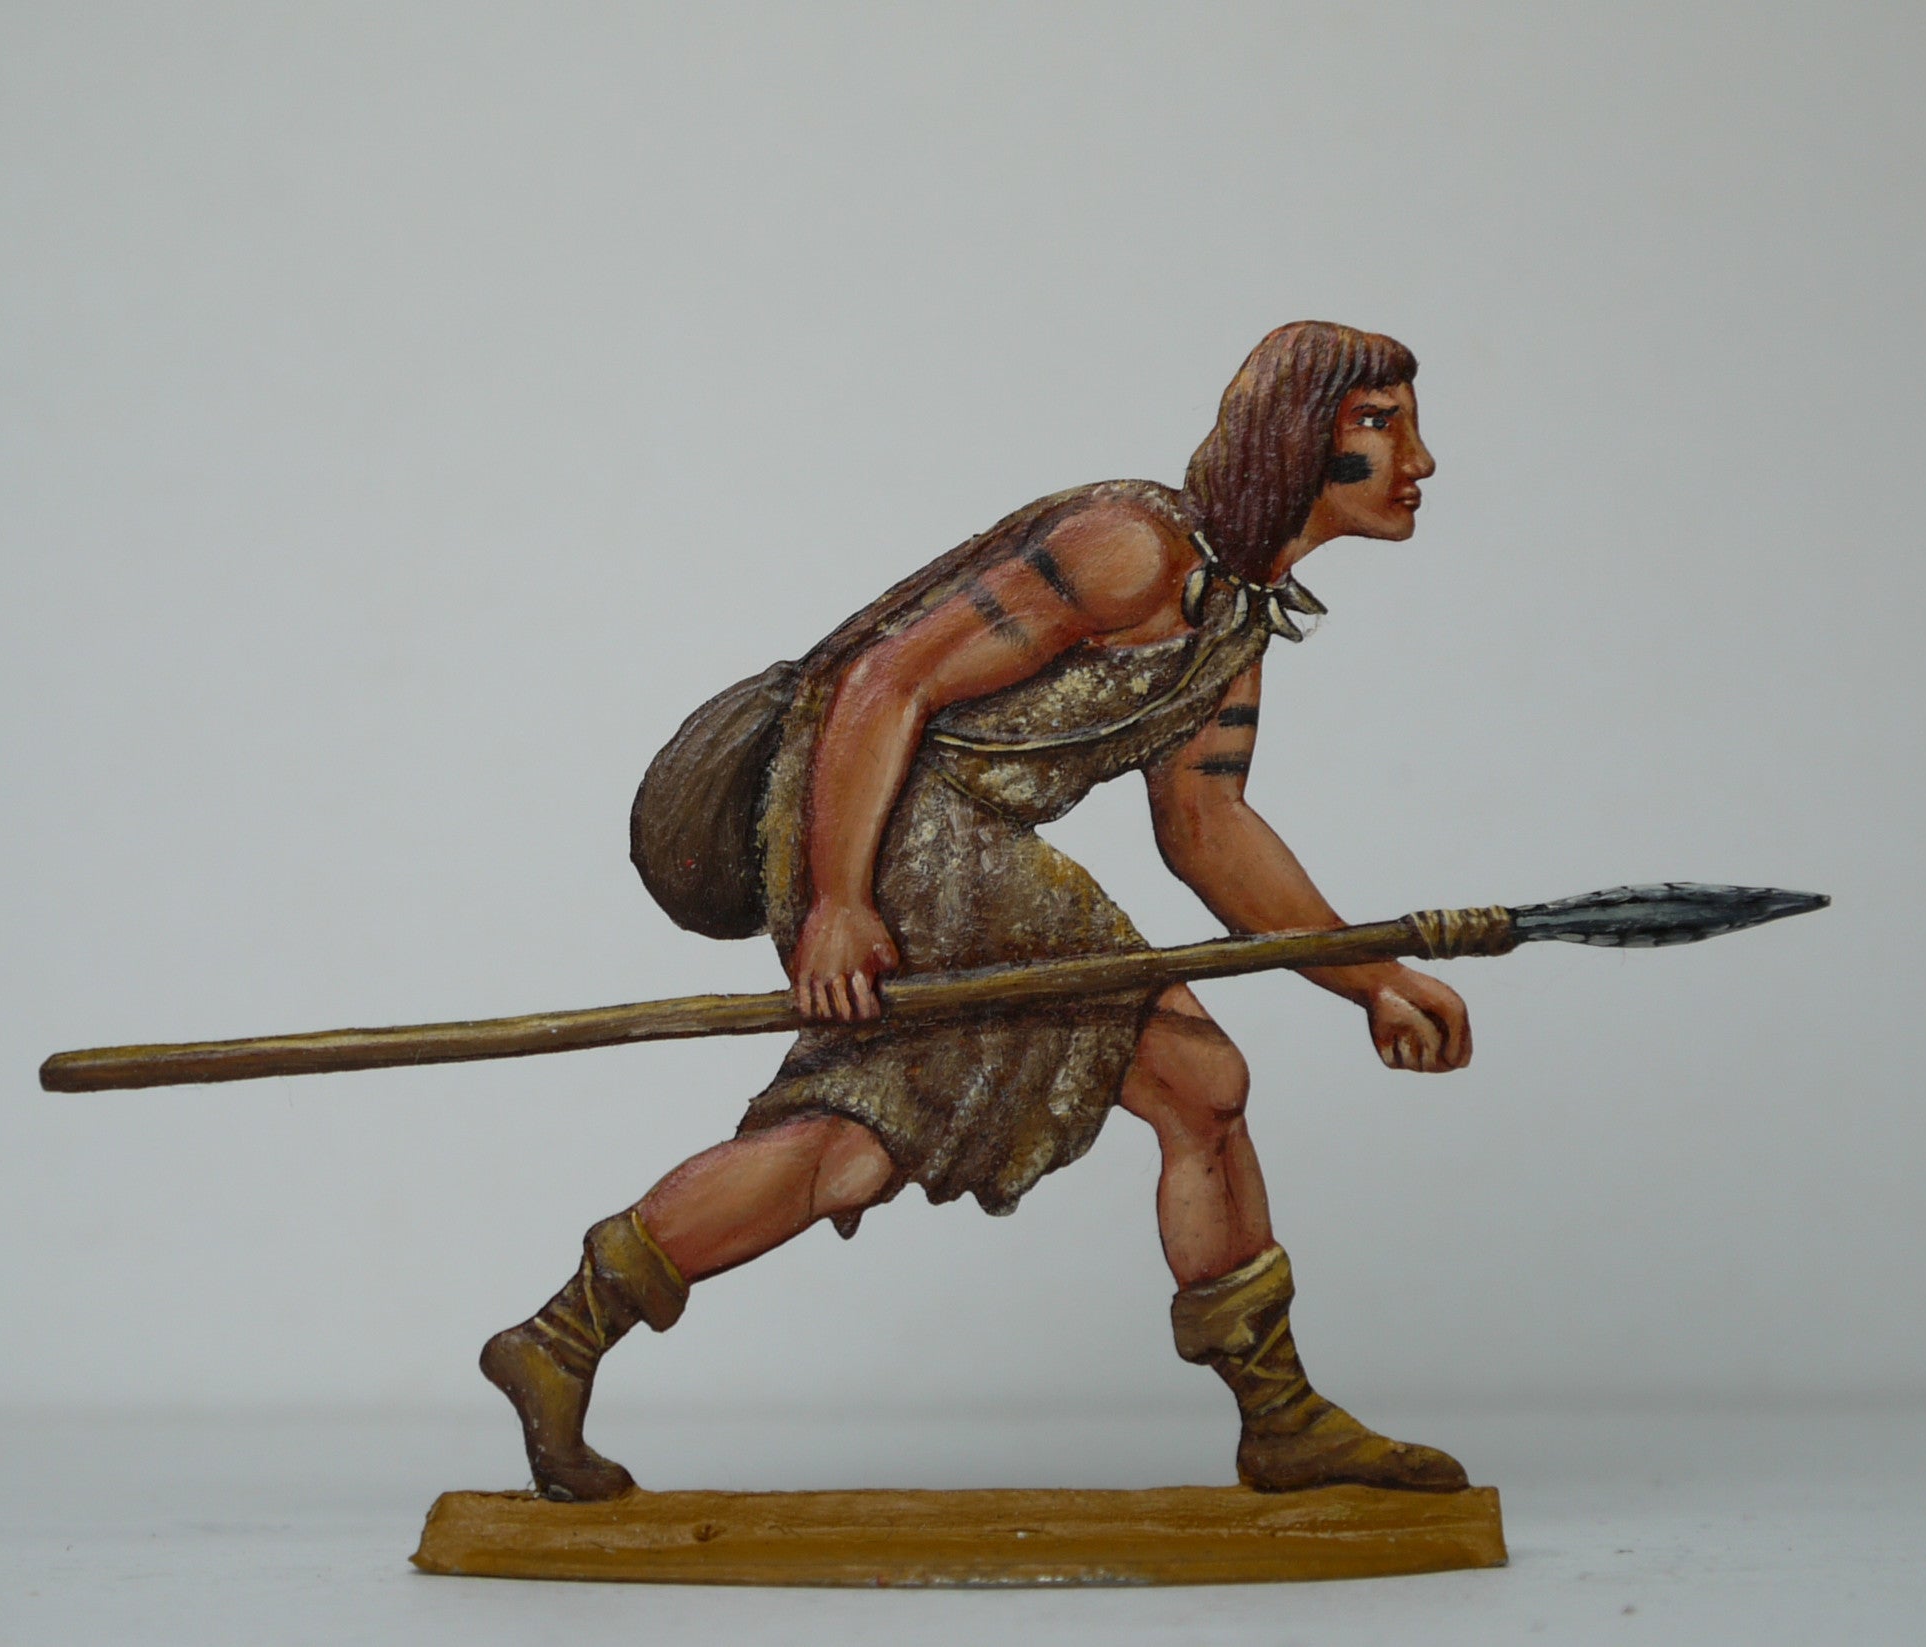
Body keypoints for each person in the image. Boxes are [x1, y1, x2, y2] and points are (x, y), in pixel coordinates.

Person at [481, 320, 1475, 1502]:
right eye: (1379, 425)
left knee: (853, 1149)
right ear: (1297, 439)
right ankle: (1281, 1416)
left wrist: (1369, 978)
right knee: (1196, 1084)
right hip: (900, 828)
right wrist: (837, 901)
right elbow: (884, 680)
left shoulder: (1227, 620)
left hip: (946, 845)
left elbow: (1206, 829)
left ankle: (559, 1340)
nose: (1416, 459)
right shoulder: (1131, 549)